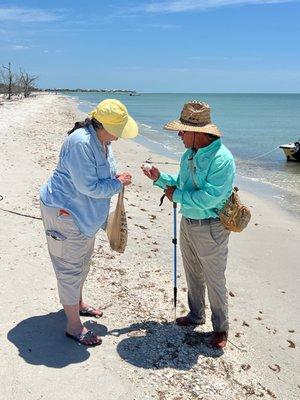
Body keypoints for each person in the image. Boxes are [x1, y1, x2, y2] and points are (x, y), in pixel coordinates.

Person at [40, 99, 138, 346]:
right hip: (66, 212)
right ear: (104, 124)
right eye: (119, 131)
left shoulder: (104, 140)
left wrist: (114, 177)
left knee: (82, 263)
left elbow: (99, 175)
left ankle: (78, 303)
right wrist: (118, 184)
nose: (120, 137)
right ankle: (73, 326)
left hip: (84, 214)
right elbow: (89, 186)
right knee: (69, 268)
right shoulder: (81, 142)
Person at [142, 101, 235, 349]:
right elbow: (181, 185)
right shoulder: (189, 154)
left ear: (199, 133)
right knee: (192, 271)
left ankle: (221, 328)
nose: (180, 135)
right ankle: (196, 315)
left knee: (214, 278)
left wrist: (177, 195)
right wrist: (160, 178)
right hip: (189, 222)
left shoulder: (222, 159)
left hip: (212, 225)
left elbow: (210, 196)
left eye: (183, 131)